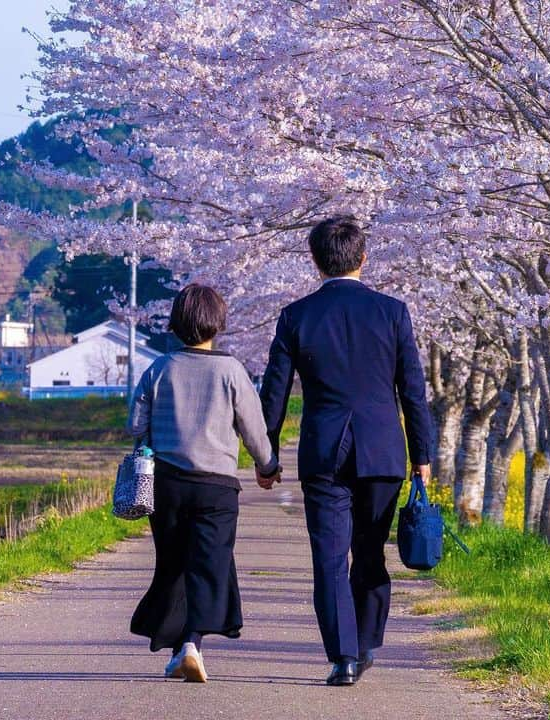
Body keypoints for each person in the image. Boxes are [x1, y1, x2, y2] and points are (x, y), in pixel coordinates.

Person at [259, 216, 433, 687]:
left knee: (330, 557)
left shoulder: (296, 315)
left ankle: (344, 657)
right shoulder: (393, 312)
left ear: (316, 261)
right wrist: (423, 454)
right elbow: (413, 391)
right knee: (372, 551)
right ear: (363, 257)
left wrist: (266, 453)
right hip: (382, 450)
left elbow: (274, 391)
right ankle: (368, 642)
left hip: (323, 451)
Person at [128, 283, 282, 683]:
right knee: (208, 564)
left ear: (176, 324)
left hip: (167, 484)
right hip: (216, 486)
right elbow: (253, 427)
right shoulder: (230, 370)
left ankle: (181, 648)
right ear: (218, 323)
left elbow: (135, 425)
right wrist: (267, 465)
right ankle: (192, 643)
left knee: (175, 563)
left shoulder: (158, 369)